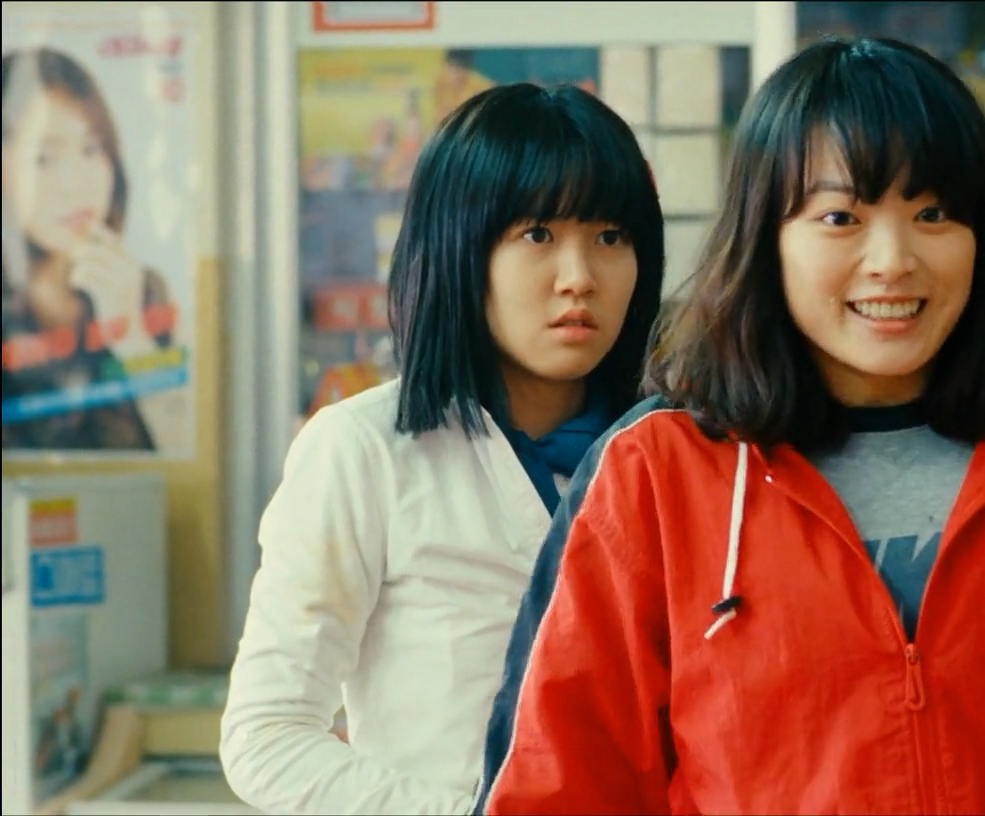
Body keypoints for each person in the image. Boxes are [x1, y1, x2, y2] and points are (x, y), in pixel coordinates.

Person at [474, 38, 985, 815]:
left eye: (934, 214)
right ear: (766, 237)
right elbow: (558, 783)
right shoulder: (655, 468)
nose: (894, 261)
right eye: (841, 218)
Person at [219, 83, 666, 815]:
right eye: (537, 235)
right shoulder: (364, 449)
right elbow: (266, 736)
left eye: (611, 236)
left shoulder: (672, 452)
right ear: (460, 248)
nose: (580, 277)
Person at [1, 47, 180, 451]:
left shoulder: (146, 291)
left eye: (91, 149)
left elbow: (186, 449)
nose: (75, 183)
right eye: (44, 159)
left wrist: (132, 336)